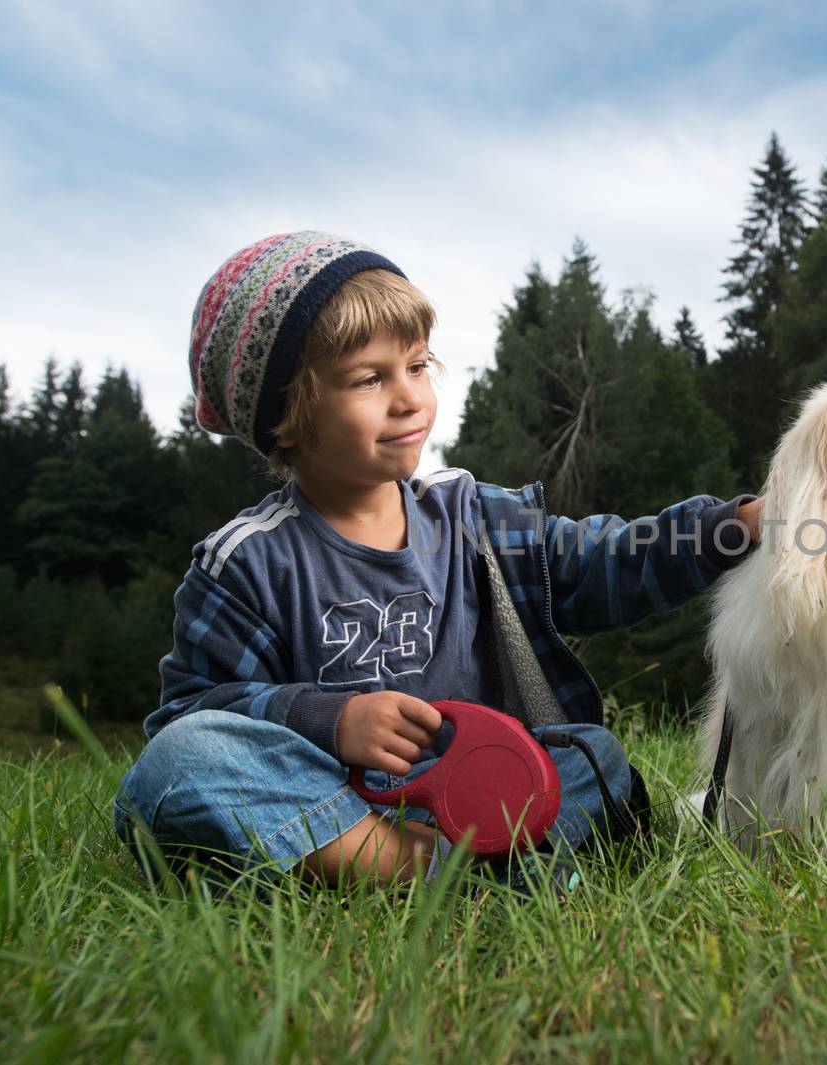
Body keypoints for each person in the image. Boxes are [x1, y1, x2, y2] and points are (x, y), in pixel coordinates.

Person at [112, 231, 764, 892]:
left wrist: (733, 525)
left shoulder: (474, 519)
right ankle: (437, 869)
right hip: (339, 803)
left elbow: (609, 559)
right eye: (370, 377)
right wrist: (329, 720)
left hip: (484, 786)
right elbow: (194, 714)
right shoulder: (246, 562)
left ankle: (455, 868)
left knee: (593, 756)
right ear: (287, 417)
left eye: (418, 365)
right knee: (180, 764)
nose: (409, 397)